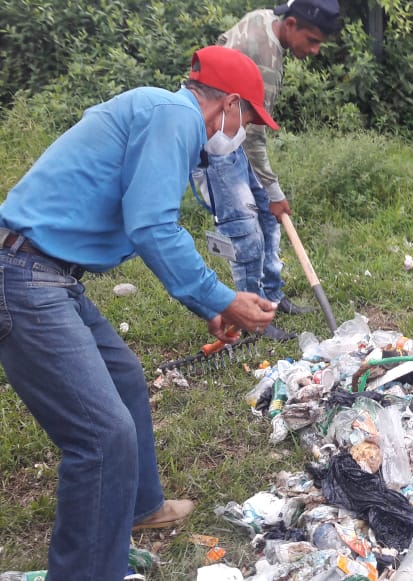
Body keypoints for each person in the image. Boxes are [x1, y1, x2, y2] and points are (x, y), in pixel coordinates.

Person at [0, 46, 279, 580]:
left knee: (123, 375)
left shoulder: (157, 111)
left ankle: (139, 506)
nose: (242, 132)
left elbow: (142, 217)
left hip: (46, 272)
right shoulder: (174, 116)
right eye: (247, 119)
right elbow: (152, 225)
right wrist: (221, 297)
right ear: (229, 104)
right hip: (24, 275)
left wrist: (208, 302)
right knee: (102, 437)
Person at [192, 0, 342, 340]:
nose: (316, 50)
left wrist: (270, 199)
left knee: (269, 220)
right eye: (313, 40)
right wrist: (275, 193)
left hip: (236, 135)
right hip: (215, 140)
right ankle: (253, 320)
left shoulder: (263, 18)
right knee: (247, 231)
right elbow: (254, 134)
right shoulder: (266, 59)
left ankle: (271, 298)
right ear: (291, 24)